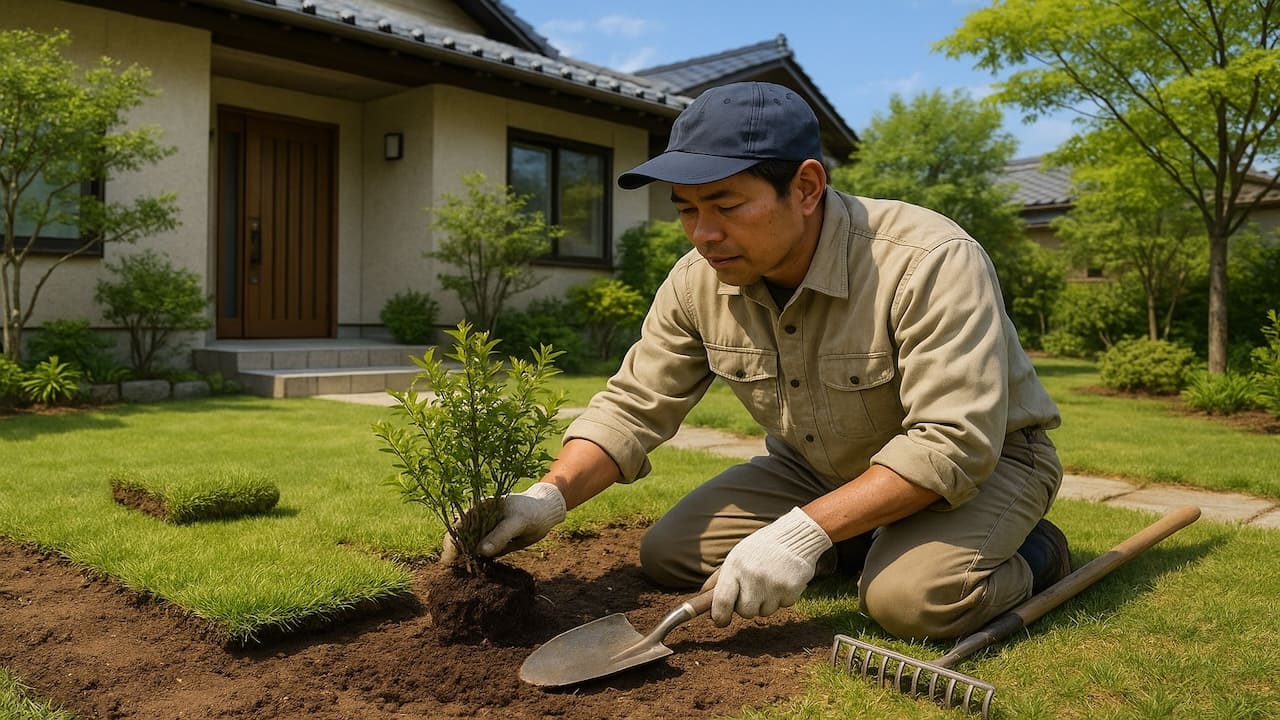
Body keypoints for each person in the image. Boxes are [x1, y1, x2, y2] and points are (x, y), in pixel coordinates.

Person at [457, 81, 1070, 640]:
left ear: (806, 187)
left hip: (990, 466)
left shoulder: (927, 258)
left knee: (912, 603)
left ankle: (1036, 552)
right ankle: (866, 535)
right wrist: (549, 496)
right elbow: (633, 405)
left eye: (725, 206)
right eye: (686, 210)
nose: (703, 233)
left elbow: (952, 443)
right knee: (669, 554)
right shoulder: (698, 280)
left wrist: (801, 533)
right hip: (817, 467)